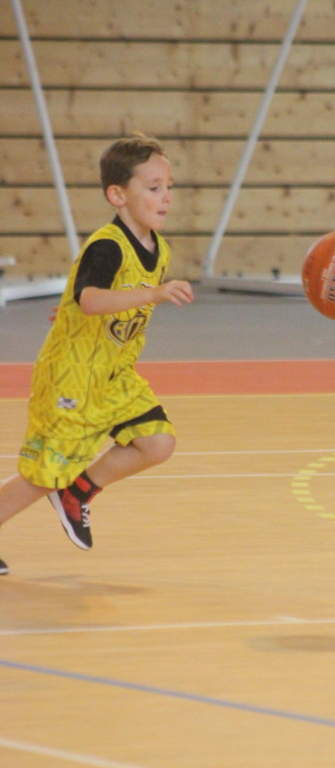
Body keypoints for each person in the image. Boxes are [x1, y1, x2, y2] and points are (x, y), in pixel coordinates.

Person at [0, 133, 194, 575]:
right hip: (71, 378)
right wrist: (154, 293)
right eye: (154, 187)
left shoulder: (159, 249)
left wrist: (80, 306)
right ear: (117, 195)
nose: (166, 196)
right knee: (42, 475)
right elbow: (90, 298)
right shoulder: (108, 244)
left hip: (112, 373)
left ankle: (78, 492)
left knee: (157, 443)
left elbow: (91, 297)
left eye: (169, 186)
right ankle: (60, 487)